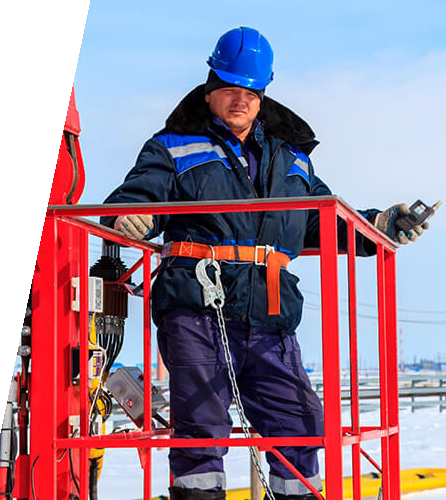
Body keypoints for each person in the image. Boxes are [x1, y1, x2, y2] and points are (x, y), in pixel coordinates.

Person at [101, 27, 428, 500]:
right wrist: (131, 217)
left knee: (298, 421)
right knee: (202, 423)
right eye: (231, 90)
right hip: (197, 304)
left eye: (250, 92)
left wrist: (379, 224)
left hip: (269, 310)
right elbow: (133, 200)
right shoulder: (172, 147)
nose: (240, 101)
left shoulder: (290, 158)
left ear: (262, 94)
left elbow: (323, 218)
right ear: (210, 89)